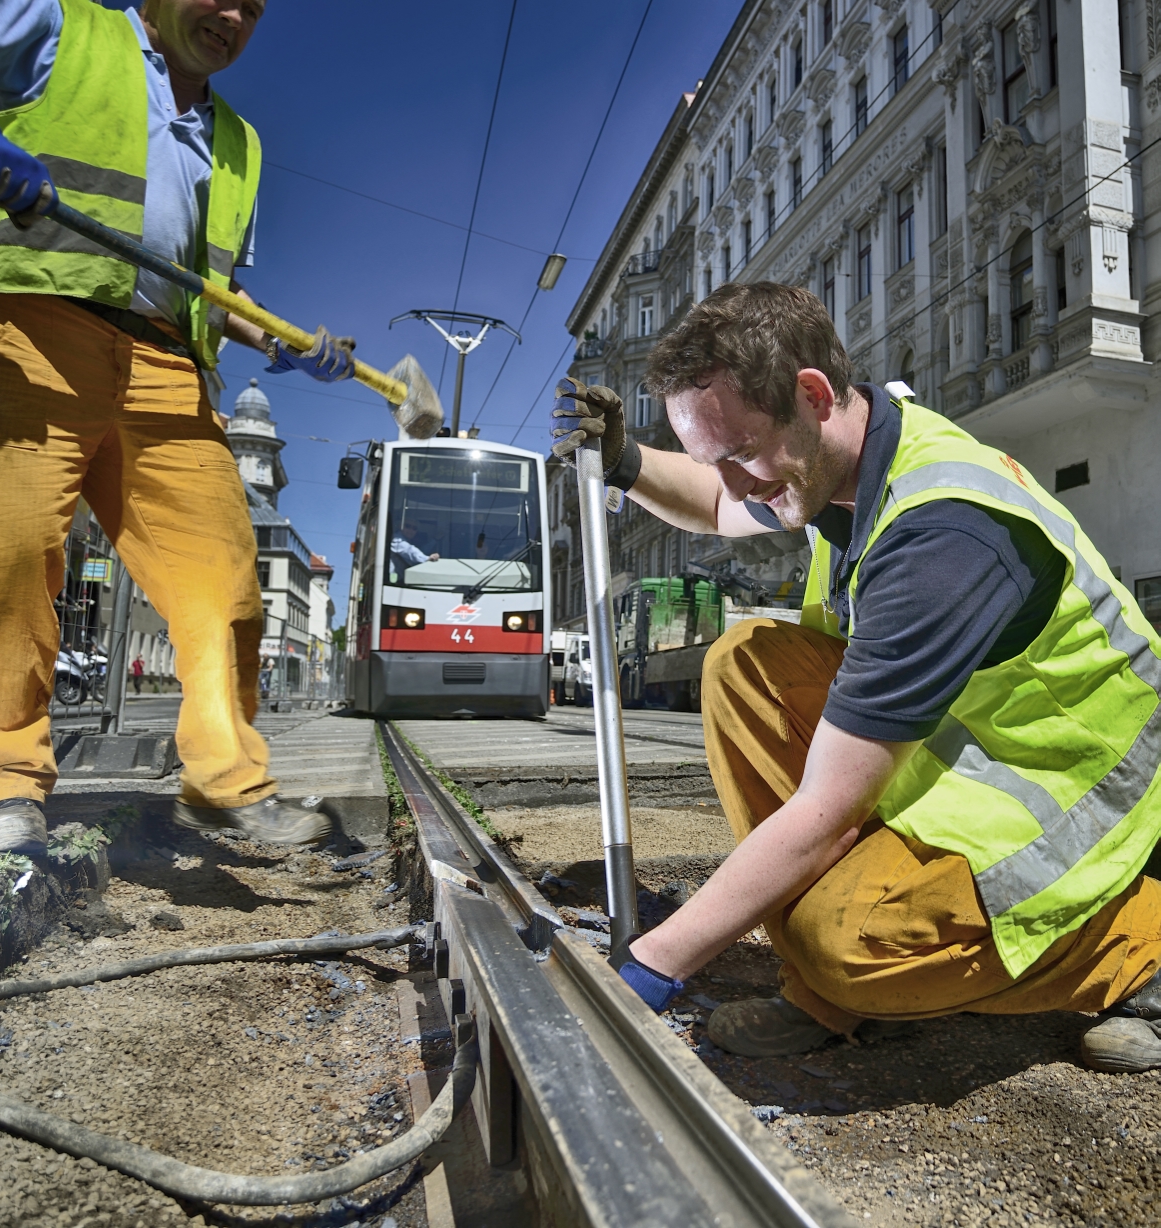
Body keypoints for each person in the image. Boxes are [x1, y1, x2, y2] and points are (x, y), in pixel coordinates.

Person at [551, 281, 1161, 1075]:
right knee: (744, 664)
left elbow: (828, 812)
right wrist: (624, 461)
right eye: (718, 459)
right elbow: (712, 502)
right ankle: (823, 965)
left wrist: (650, 965)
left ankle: (1136, 942)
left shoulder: (941, 534)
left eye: (738, 453)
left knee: (847, 951)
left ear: (810, 394)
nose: (738, 487)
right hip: (963, 753)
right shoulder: (826, 462)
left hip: (1078, 799)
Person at [0, 0, 357, 854]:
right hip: (28, 324)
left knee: (222, 582)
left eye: (251, 8)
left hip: (164, 364)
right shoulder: (62, 29)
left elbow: (206, 286)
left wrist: (287, 345)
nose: (231, 15)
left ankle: (228, 783)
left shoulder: (240, 143)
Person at [388, 518, 439, 584]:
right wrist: (427, 558)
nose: (410, 530)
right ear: (400, 526)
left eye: (414, 528)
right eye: (407, 526)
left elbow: (422, 550)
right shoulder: (397, 539)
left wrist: (435, 540)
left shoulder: (408, 540)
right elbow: (409, 550)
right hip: (391, 582)